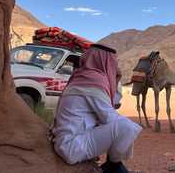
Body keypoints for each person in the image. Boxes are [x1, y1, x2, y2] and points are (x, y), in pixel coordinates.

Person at [52, 44, 142, 173]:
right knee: (127, 127)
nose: (115, 66)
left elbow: (111, 105)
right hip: (72, 146)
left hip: (69, 141)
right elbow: (110, 118)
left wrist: (115, 80)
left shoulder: (83, 77)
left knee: (122, 126)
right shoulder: (93, 81)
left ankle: (114, 164)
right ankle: (113, 165)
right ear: (104, 61)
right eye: (113, 62)